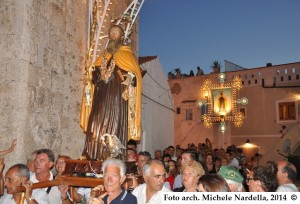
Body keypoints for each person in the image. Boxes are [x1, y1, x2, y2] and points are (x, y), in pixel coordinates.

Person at [81, 25, 142, 160]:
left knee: (114, 123)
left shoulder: (126, 53)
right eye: (112, 33)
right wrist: (93, 72)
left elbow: (134, 74)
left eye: (117, 33)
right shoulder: (104, 55)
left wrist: (129, 77)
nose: (114, 35)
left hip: (116, 98)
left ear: (121, 37)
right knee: (96, 121)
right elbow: (94, 75)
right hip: (101, 95)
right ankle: (93, 154)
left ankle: (112, 155)